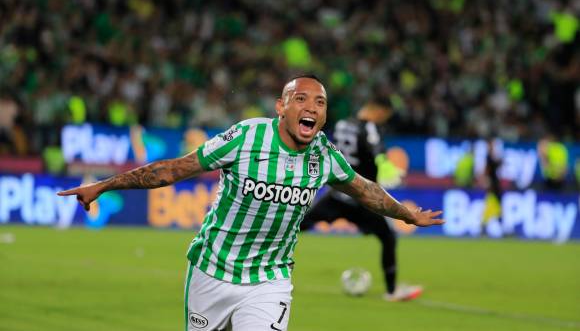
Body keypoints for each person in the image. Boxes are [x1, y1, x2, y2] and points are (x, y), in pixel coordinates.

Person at [58, 76, 444, 331]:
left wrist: (405, 212)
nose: (311, 107)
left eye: (320, 102)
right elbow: (176, 169)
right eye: (301, 99)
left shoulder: (325, 155)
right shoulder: (245, 137)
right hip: (212, 270)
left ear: (324, 116)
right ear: (281, 106)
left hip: (269, 279)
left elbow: (365, 190)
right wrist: (105, 185)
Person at [300, 99, 422, 301]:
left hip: (337, 194)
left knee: (295, 225)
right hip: (361, 197)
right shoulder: (370, 128)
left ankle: (262, 266)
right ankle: (392, 291)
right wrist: (387, 168)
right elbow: (378, 154)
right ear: (380, 112)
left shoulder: (342, 125)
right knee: (388, 238)